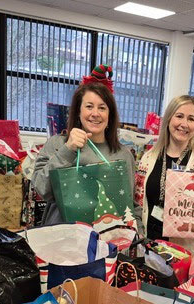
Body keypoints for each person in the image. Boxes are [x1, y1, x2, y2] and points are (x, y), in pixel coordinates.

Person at [32, 65, 139, 226]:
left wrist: (139, 234)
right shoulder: (57, 144)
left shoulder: (123, 154)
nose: (95, 113)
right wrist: (67, 150)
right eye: (89, 106)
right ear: (78, 111)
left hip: (106, 242)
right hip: (63, 241)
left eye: (102, 108)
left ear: (110, 114)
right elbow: (41, 188)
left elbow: (129, 203)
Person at [134, 95, 194, 240]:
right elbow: (138, 199)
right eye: (179, 116)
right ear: (168, 119)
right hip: (150, 240)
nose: (184, 124)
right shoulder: (148, 158)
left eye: (191, 119)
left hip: (185, 245)